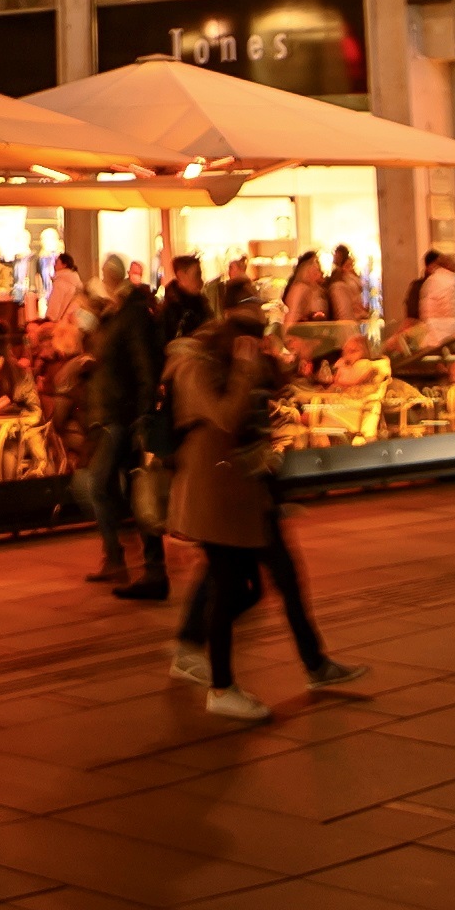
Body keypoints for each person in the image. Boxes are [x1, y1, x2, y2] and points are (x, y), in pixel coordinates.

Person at [166, 302, 360, 719]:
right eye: (252, 336)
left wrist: (270, 367)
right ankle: (216, 680)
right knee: (234, 588)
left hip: (241, 492)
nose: (257, 343)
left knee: (254, 585)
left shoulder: (233, 363)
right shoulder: (198, 368)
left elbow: (261, 406)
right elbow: (225, 417)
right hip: (212, 494)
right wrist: (243, 369)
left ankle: (218, 663)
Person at [79, 273, 173, 600]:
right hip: (113, 414)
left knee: (102, 484)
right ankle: (140, 564)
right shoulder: (114, 318)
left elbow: (144, 367)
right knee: (128, 488)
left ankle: (129, 561)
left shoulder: (132, 318)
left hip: (123, 416)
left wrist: (144, 414)